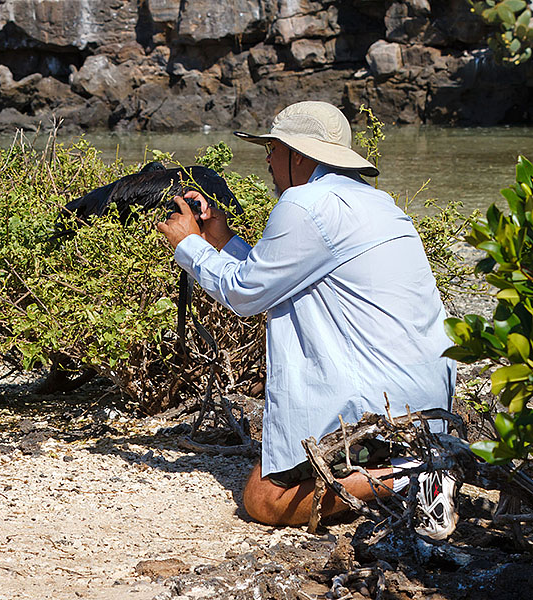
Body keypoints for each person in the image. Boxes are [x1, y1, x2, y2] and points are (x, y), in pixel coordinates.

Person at [157, 101, 457, 538]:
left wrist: (189, 246)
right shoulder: (377, 202)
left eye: (273, 148)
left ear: (299, 155)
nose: (266, 159)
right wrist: (220, 238)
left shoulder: (305, 202)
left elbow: (244, 294)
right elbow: (274, 276)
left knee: (263, 498)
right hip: (424, 403)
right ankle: (414, 466)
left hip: (380, 405)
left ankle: (409, 477)